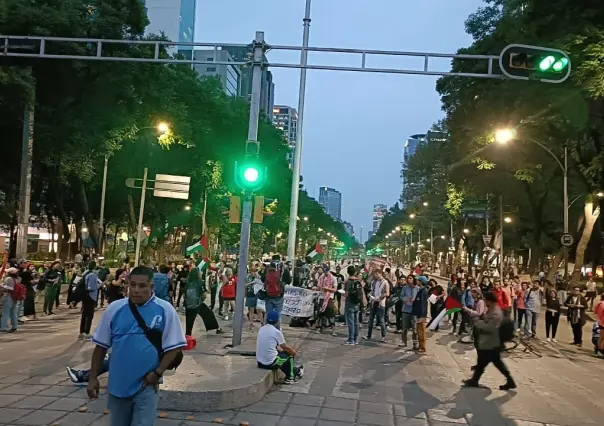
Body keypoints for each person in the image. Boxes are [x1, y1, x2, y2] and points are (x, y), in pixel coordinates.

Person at [87, 266, 186, 426]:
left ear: (151, 287)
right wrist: (92, 378)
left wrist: (158, 372)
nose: (136, 290)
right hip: (118, 384)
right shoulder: (115, 309)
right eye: (132, 285)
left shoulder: (165, 310)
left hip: (146, 385)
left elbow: (174, 347)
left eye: (142, 286)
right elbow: (100, 346)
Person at [463, 291, 516, 390]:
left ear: (490, 301)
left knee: (483, 362)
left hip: (492, 343)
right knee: (494, 362)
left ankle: (475, 380)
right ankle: (510, 381)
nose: (484, 301)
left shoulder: (495, 312)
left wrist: (478, 323)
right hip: (490, 342)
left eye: (485, 299)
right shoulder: (492, 309)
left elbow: (491, 327)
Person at [256, 311, 304, 384]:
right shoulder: (276, 332)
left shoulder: (262, 329)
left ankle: (296, 371)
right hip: (269, 363)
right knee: (289, 355)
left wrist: (279, 349)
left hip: (260, 362)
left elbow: (270, 344)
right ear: (277, 321)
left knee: (281, 357)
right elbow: (285, 347)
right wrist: (294, 352)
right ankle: (290, 378)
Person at [184, 267, 223, 336]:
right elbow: (204, 295)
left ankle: (188, 334)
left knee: (189, 320)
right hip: (198, 304)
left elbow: (184, 294)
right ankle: (216, 328)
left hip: (188, 304)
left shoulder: (188, 282)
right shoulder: (200, 282)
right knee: (208, 314)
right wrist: (200, 300)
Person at [363, 269, 389, 343]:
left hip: (380, 303)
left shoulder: (385, 282)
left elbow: (387, 293)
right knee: (370, 320)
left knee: (381, 320)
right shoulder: (373, 282)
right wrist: (370, 295)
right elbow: (372, 290)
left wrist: (380, 297)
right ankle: (368, 335)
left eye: (377, 274)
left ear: (381, 274)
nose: (375, 275)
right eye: (375, 274)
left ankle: (383, 336)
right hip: (373, 302)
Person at [313, 265, 337, 336]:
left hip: (329, 297)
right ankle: (319, 327)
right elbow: (319, 287)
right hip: (322, 297)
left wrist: (327, 289)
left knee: (330, 314)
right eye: (324, 271)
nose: (325, 273)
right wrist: (315, 288)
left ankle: (333, 330)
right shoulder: (321, 277)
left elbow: (335, 289)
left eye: (326, 271)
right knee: (320, 313)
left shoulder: (333, 278)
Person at [80, 261, 101, 339]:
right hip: (90, 297)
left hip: (85, 296)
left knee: (84, 314)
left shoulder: (85, 273)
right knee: (89, 315)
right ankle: (86, 332)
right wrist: (99, 285)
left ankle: (81, 332)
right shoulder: (92, 275)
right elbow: (91, 287)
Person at [344, 265, 363, 345]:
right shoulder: (358, 281)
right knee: (356, 322)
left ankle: (351, 340)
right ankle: (356, 339)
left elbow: (346, 294)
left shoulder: (348, 282)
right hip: (357, 303)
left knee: (350, 322)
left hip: (350, 303)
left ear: (348, 272)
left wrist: (342, 293)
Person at [399, 275, 419, 349]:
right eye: (408, 278)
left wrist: (415, 300)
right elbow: (401, 296)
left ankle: (415, 343)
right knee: (404, 328)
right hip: (405, 309)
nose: (409, 279)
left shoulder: (417, 288)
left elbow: (419, 298)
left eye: (410, 278)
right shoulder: (405, 288)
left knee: (414, 329)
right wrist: (405, 299)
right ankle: (404, 342)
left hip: (413, 310)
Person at [264, 262, 285, 329]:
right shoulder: (279, 273)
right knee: (278, 313)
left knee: (268, 313)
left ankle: (267, 328)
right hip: (278, 296)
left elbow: (263, 282)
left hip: (269, 296)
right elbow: (286, 281)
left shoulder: (267, 273)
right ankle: (277, 329)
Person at [412, 276, 429, 354]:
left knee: (421, 331)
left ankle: (422, 348)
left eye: (418, 280)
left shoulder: (424, 291)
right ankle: (420, 346)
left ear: (421, 282)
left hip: (421, 315)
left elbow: (423, 304)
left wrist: (421, 316)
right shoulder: (421, 290)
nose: (416, 281)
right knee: (419, 331)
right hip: (419, 314)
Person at [1, 267, 21, 332]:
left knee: (5, 312)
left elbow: (8, 288)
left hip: (8, 296)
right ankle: (14, 326)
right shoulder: (18, 279)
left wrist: (2, 286)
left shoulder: (8, 279)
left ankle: (3, 327)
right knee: (13, 312)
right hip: (15, 297)